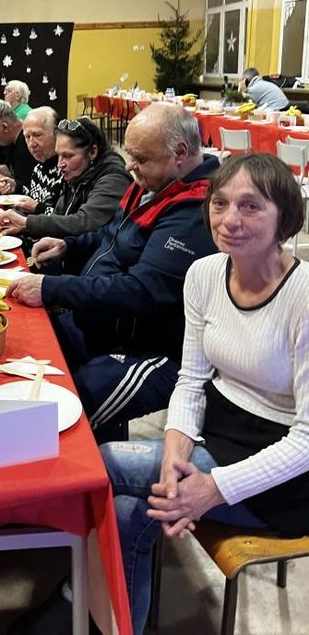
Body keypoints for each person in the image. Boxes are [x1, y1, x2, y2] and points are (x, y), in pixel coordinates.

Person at [102, 154, 309, 635]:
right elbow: (192, 380)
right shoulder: (204, 274)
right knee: (124, 510)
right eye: (220, 203)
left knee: (109, 462)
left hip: (283, 472)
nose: (229, 220)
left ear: (285, 217)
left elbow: (306, 441)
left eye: (251, 207)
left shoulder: (303, 296)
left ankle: (97, 603)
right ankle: (113, 613)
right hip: (215, 435)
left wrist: (213, 489)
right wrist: (175, 453)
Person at [6, 104, 219, 441]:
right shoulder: (152, 181)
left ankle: (89, 478)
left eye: (140, 157)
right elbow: (111, 237)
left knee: (69, 409)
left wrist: (52, 288)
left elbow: (140, 292)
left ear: (180, 152)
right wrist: (69, 247)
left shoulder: (197, 208)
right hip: (103, 323)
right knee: (27, 343)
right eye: (129, 154)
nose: (129, 165)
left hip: (154, 350)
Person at [0, 114, 130, 240]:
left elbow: (83, 222)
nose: (60, 164)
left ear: (92, 152)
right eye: (59, 155)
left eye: (68, 156)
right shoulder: (78, 172)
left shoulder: (114, 178)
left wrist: (27, 223)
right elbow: (59, 216)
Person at [0, 99, 37, 193]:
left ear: (4, 127)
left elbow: (26, 189)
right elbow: (9, 170)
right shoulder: (12, 141)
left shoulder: (27, 143)